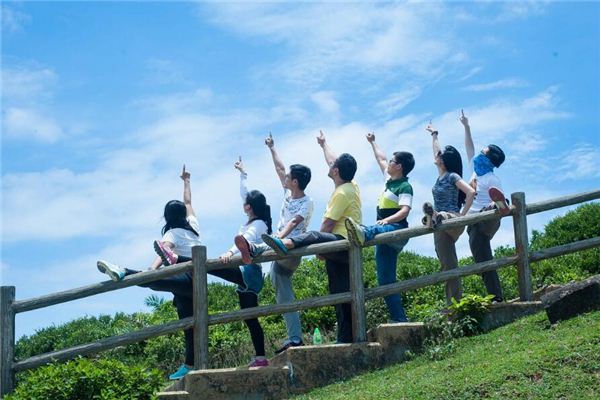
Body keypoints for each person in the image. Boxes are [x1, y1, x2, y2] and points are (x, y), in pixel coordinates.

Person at [155, 157, 273, 368]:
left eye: (246, 201)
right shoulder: (196, 226)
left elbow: (243, 242)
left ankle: (177, 259)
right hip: (247, 277)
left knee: (210, 266)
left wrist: (229, 252)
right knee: (250, 317)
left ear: (249, 207)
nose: (243, 202)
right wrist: (241, 174)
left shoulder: (259, 224)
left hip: (250, 272)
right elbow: (189, 204)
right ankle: (261, 358)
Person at [96, 165, 202, 380]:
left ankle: (125, 271)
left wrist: (151, 271)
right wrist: (186, 181)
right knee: (190, 326)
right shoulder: (193, 226)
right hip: (194, 283)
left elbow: (165, 249)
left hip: (186, 279)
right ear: (182, 214)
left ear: (166, 217)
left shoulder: (171, 234)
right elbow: (189, 202)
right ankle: (190, 364)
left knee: (152, 282)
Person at [262, 130, 361, 344]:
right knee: (340, 291)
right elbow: (333, 161)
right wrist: (324, 145)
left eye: (332, 166)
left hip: (337, 243)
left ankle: (298, 337)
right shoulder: (350, 185)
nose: (329, 166)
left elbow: (323, 225)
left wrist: (319, 249)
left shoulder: (339, 193)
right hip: (338, 245)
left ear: (336, 171)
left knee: (314, 235)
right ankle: (345, 337)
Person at [234, 133, 314, 353]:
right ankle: (295, 338)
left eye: (289, 177)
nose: (285, 178)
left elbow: (294, 223)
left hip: (291, 249)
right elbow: (280, 169)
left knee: (281, 286)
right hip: (278, 249)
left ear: (295, 182)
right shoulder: (288, 196)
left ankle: (254, 248)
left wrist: (278, 237)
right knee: (282, 291)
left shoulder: (307, 202)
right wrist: (272, 148)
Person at [345, 132, 415, 323]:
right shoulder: (389, 180)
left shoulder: (405, 187)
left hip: (397, 229)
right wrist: (373, 142)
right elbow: (381, 158)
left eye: (393, 161)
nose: (389, 163)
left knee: (375, 229)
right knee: (385, 280)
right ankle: (399, 318)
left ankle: (363, 232)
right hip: (385, 236)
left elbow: (405, 211)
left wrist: (387, 220)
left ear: (399, 166)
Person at [423, 122, 476, 306]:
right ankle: (454, 304)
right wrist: (434, 135)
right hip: (440, 227)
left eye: (440, 156)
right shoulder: (440, 176)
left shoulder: (452, 176)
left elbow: (470, 192)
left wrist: (463, 215)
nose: (436, 156)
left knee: (441, 216)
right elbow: (436, 152)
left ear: (444, 160)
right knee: (448, 265)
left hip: (452, 219)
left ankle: (432, 217)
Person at [461, 110, 509, 302]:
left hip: (487, 220)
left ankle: (498, 206)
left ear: (489, 160)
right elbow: (469, 148)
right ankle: (495, 296)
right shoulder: (475, 172)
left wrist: (495, 204)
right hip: (473, 225)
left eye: (484, 152)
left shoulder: (491, 179)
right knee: (482, 261)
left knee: (493, 207)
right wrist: (466, 126)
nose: (479, 153)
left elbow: (474, 150)